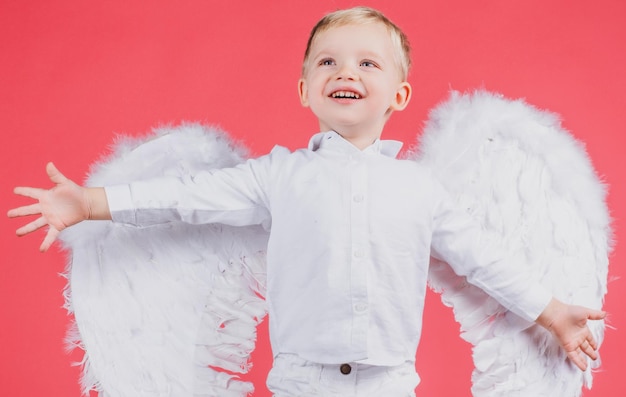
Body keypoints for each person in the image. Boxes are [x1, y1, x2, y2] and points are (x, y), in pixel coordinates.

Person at [8, 6, 605, 396]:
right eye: (328, 61)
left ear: (397, 94)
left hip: (389, 385)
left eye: (367, 62)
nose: (346, 71)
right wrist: (91, 202)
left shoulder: (420, 189)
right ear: (305, 90)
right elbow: (187, 197)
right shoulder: (278, 176)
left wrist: (550, 311)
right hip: (299, 382)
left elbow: (482, 260)